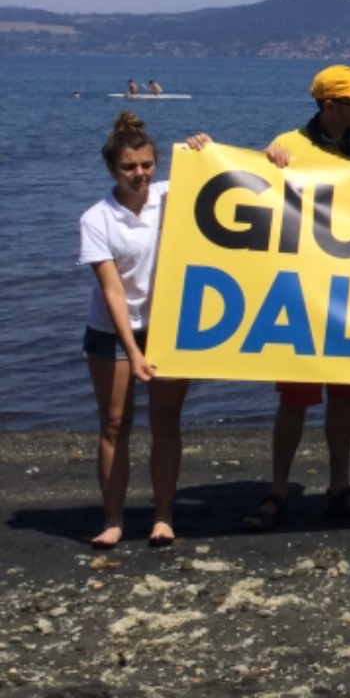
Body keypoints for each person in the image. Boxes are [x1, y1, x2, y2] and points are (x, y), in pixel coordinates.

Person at [243, 64, 350, 530]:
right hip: (301, 289)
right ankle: (278, 489)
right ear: (330, 105)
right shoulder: (289, 144)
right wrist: (261, 162)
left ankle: (341, 485)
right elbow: (256, 195)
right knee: (295, 397)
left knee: (344, 394)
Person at [77, 113, 196, 547]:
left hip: (167, 326)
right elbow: (112, 292)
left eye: (146, 164)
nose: (139, 174)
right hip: (113, 332)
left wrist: (208, 147)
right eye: (129, 167)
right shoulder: (96, 219)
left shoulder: (171, 196)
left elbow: (235, 181)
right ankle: (113, 519)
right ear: (113, 169)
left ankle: (163, 517)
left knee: (166, 422)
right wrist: (135, 351)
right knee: (113, 424)